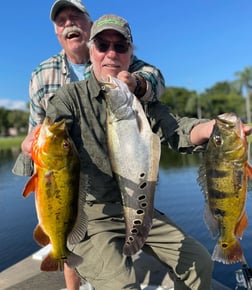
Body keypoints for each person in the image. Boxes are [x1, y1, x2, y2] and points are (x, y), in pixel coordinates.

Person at [21, 14, 252, 290]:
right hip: (94, 215)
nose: (111, 53)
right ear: (91, 51)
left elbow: (176, 129)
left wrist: (211, 128)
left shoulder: (140, 99)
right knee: (123, 285)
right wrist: (31, 145)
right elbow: (52, 135)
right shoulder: (70, 98)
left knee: (200, 262)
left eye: (120, 47)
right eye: (102, 45)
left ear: (130, 54)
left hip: (139, 208)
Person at [12, 1, 164, 289]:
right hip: (68, 169)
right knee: (68, 229)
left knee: (120, 241)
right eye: (61, 21)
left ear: (89, 25)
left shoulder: (114, 54)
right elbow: (37, 127)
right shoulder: (41, 74)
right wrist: (27, 146)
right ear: (57, 33)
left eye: (75, 17)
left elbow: (156, 78)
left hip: (120, 170)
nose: (68, 23)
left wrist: (135, 84)